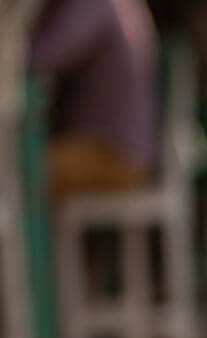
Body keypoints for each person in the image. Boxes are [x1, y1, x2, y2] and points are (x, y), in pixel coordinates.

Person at [28, 0, 159, 197]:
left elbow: (45, 55)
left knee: (23, 169)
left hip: (113, 154)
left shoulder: (93, 4)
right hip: (119, 149)